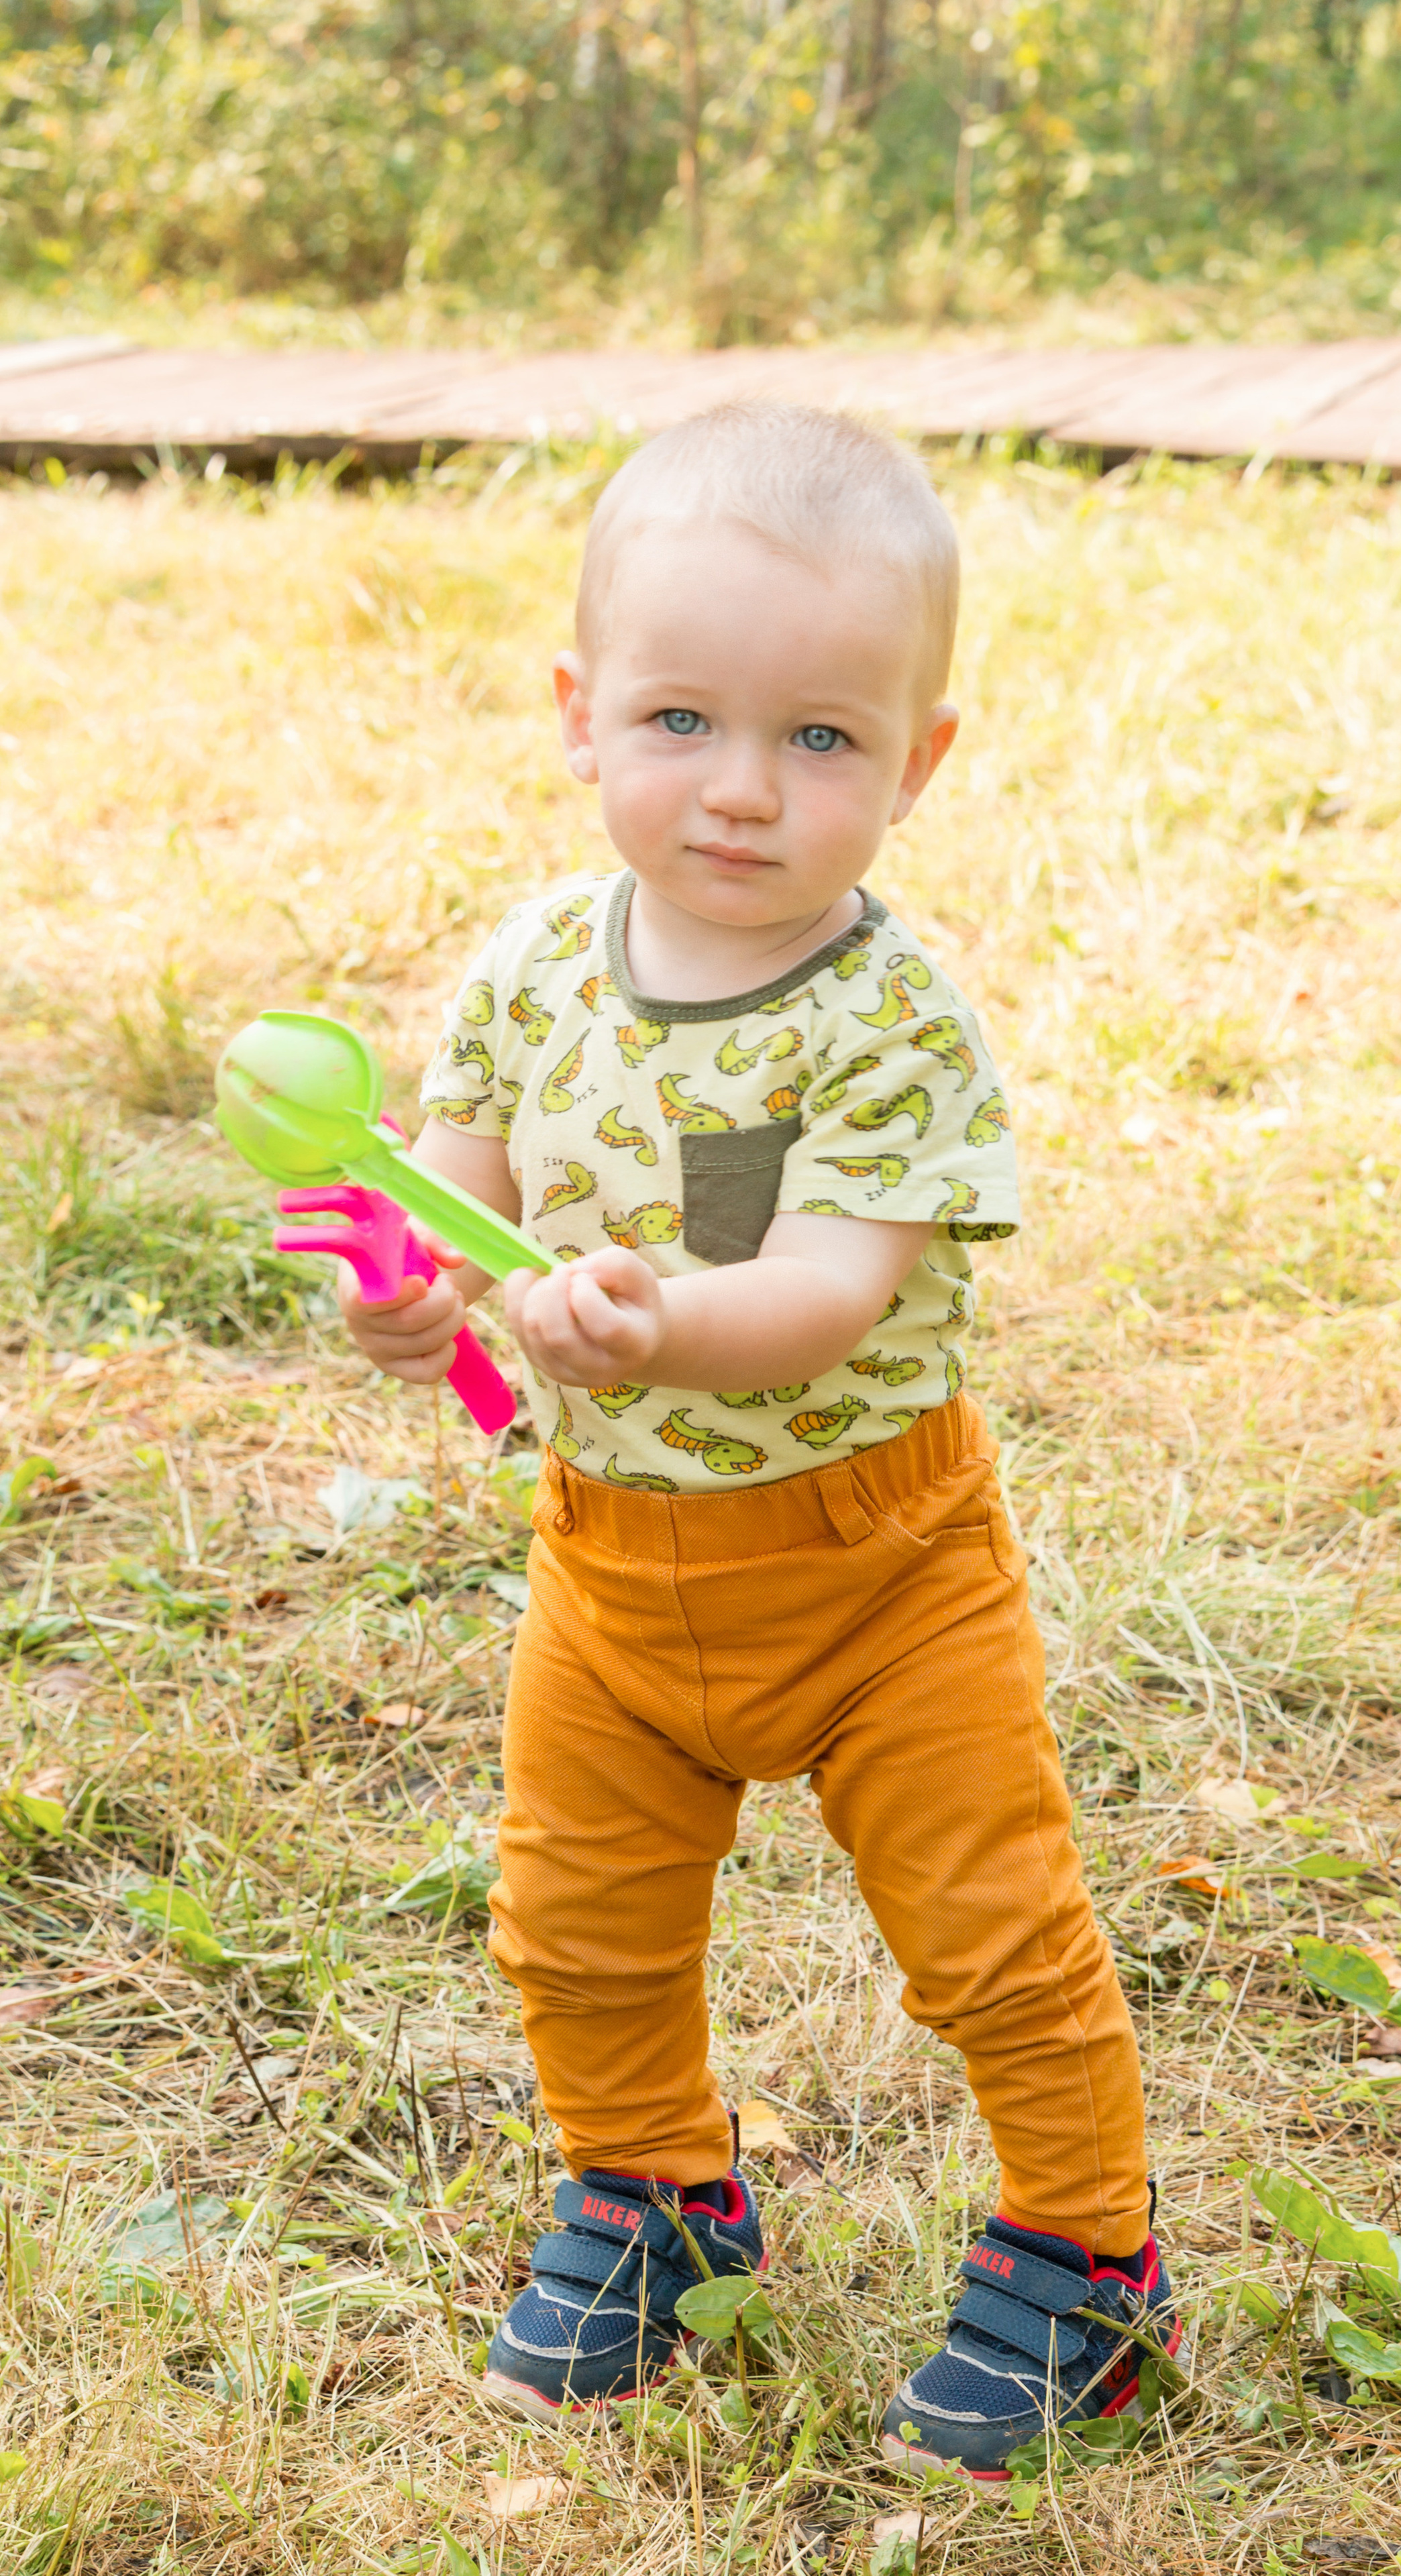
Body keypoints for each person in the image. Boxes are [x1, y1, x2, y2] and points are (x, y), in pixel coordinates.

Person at [338, 402, 1180, 2481]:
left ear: (918, 762)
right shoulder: (535, 972)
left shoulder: (892, 1019)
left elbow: (827, 1288)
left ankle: (1089, 2255)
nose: (739, 787)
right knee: (577, 1913)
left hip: (880, 1562)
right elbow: (444, 1196)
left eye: (819, 738)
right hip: (613, 1560)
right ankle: (652, 2195)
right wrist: (403, 1289)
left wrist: (649, 1325)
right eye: (682, 719)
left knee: (989, 1923)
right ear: (579, 715)